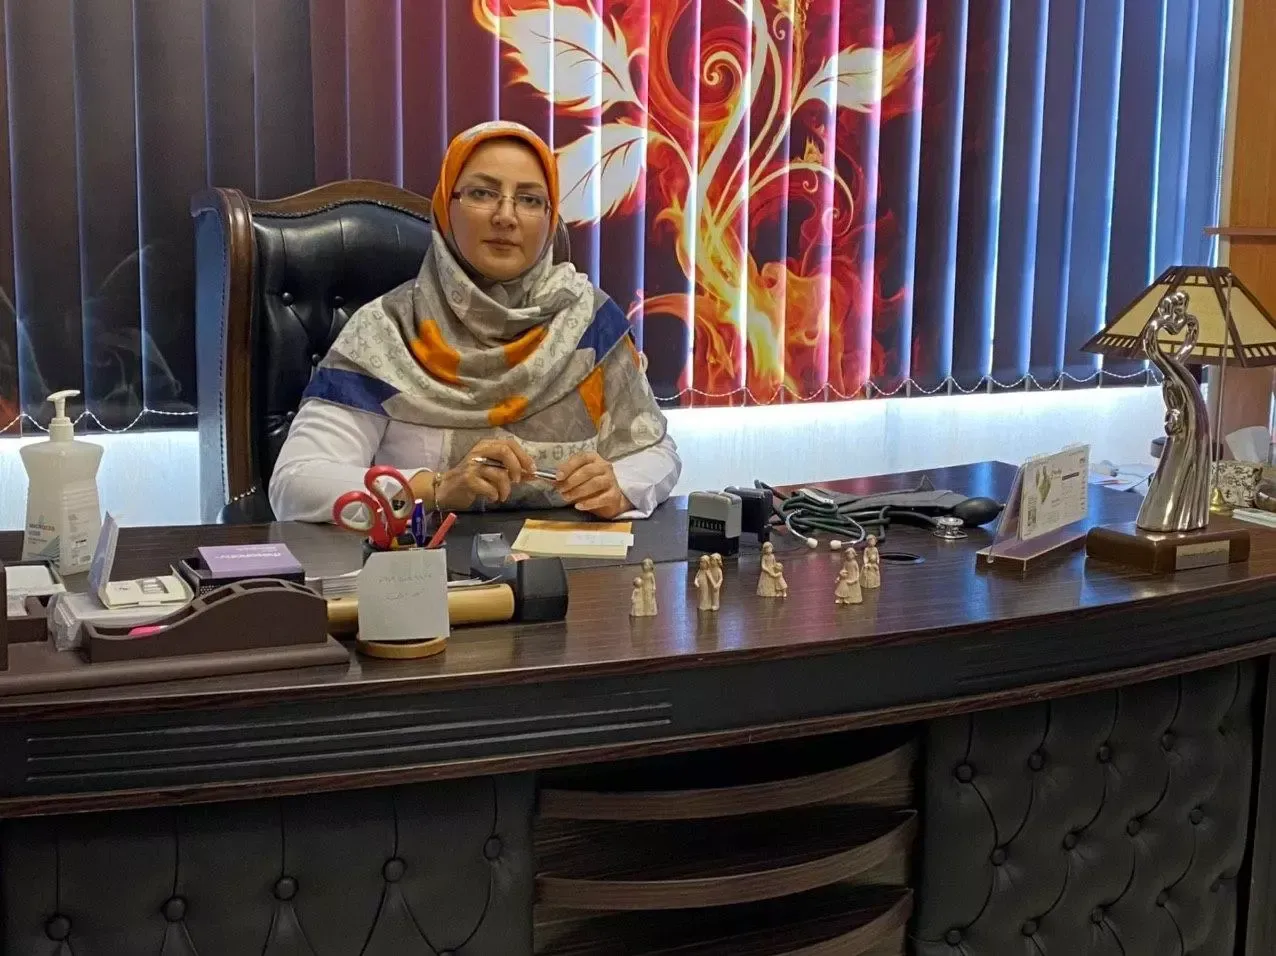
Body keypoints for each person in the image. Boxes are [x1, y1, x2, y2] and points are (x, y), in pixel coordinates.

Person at [268, 120, 681, 522]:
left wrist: (620, 484)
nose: (506, 215)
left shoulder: (589, 323)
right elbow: (295, 484)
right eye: (483, 193)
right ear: (446, 208)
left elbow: (655, 450)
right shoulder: (388, 332)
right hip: (428, 562)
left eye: (530, 199)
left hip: (576, 561)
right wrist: (435, 488)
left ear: (550, 217)